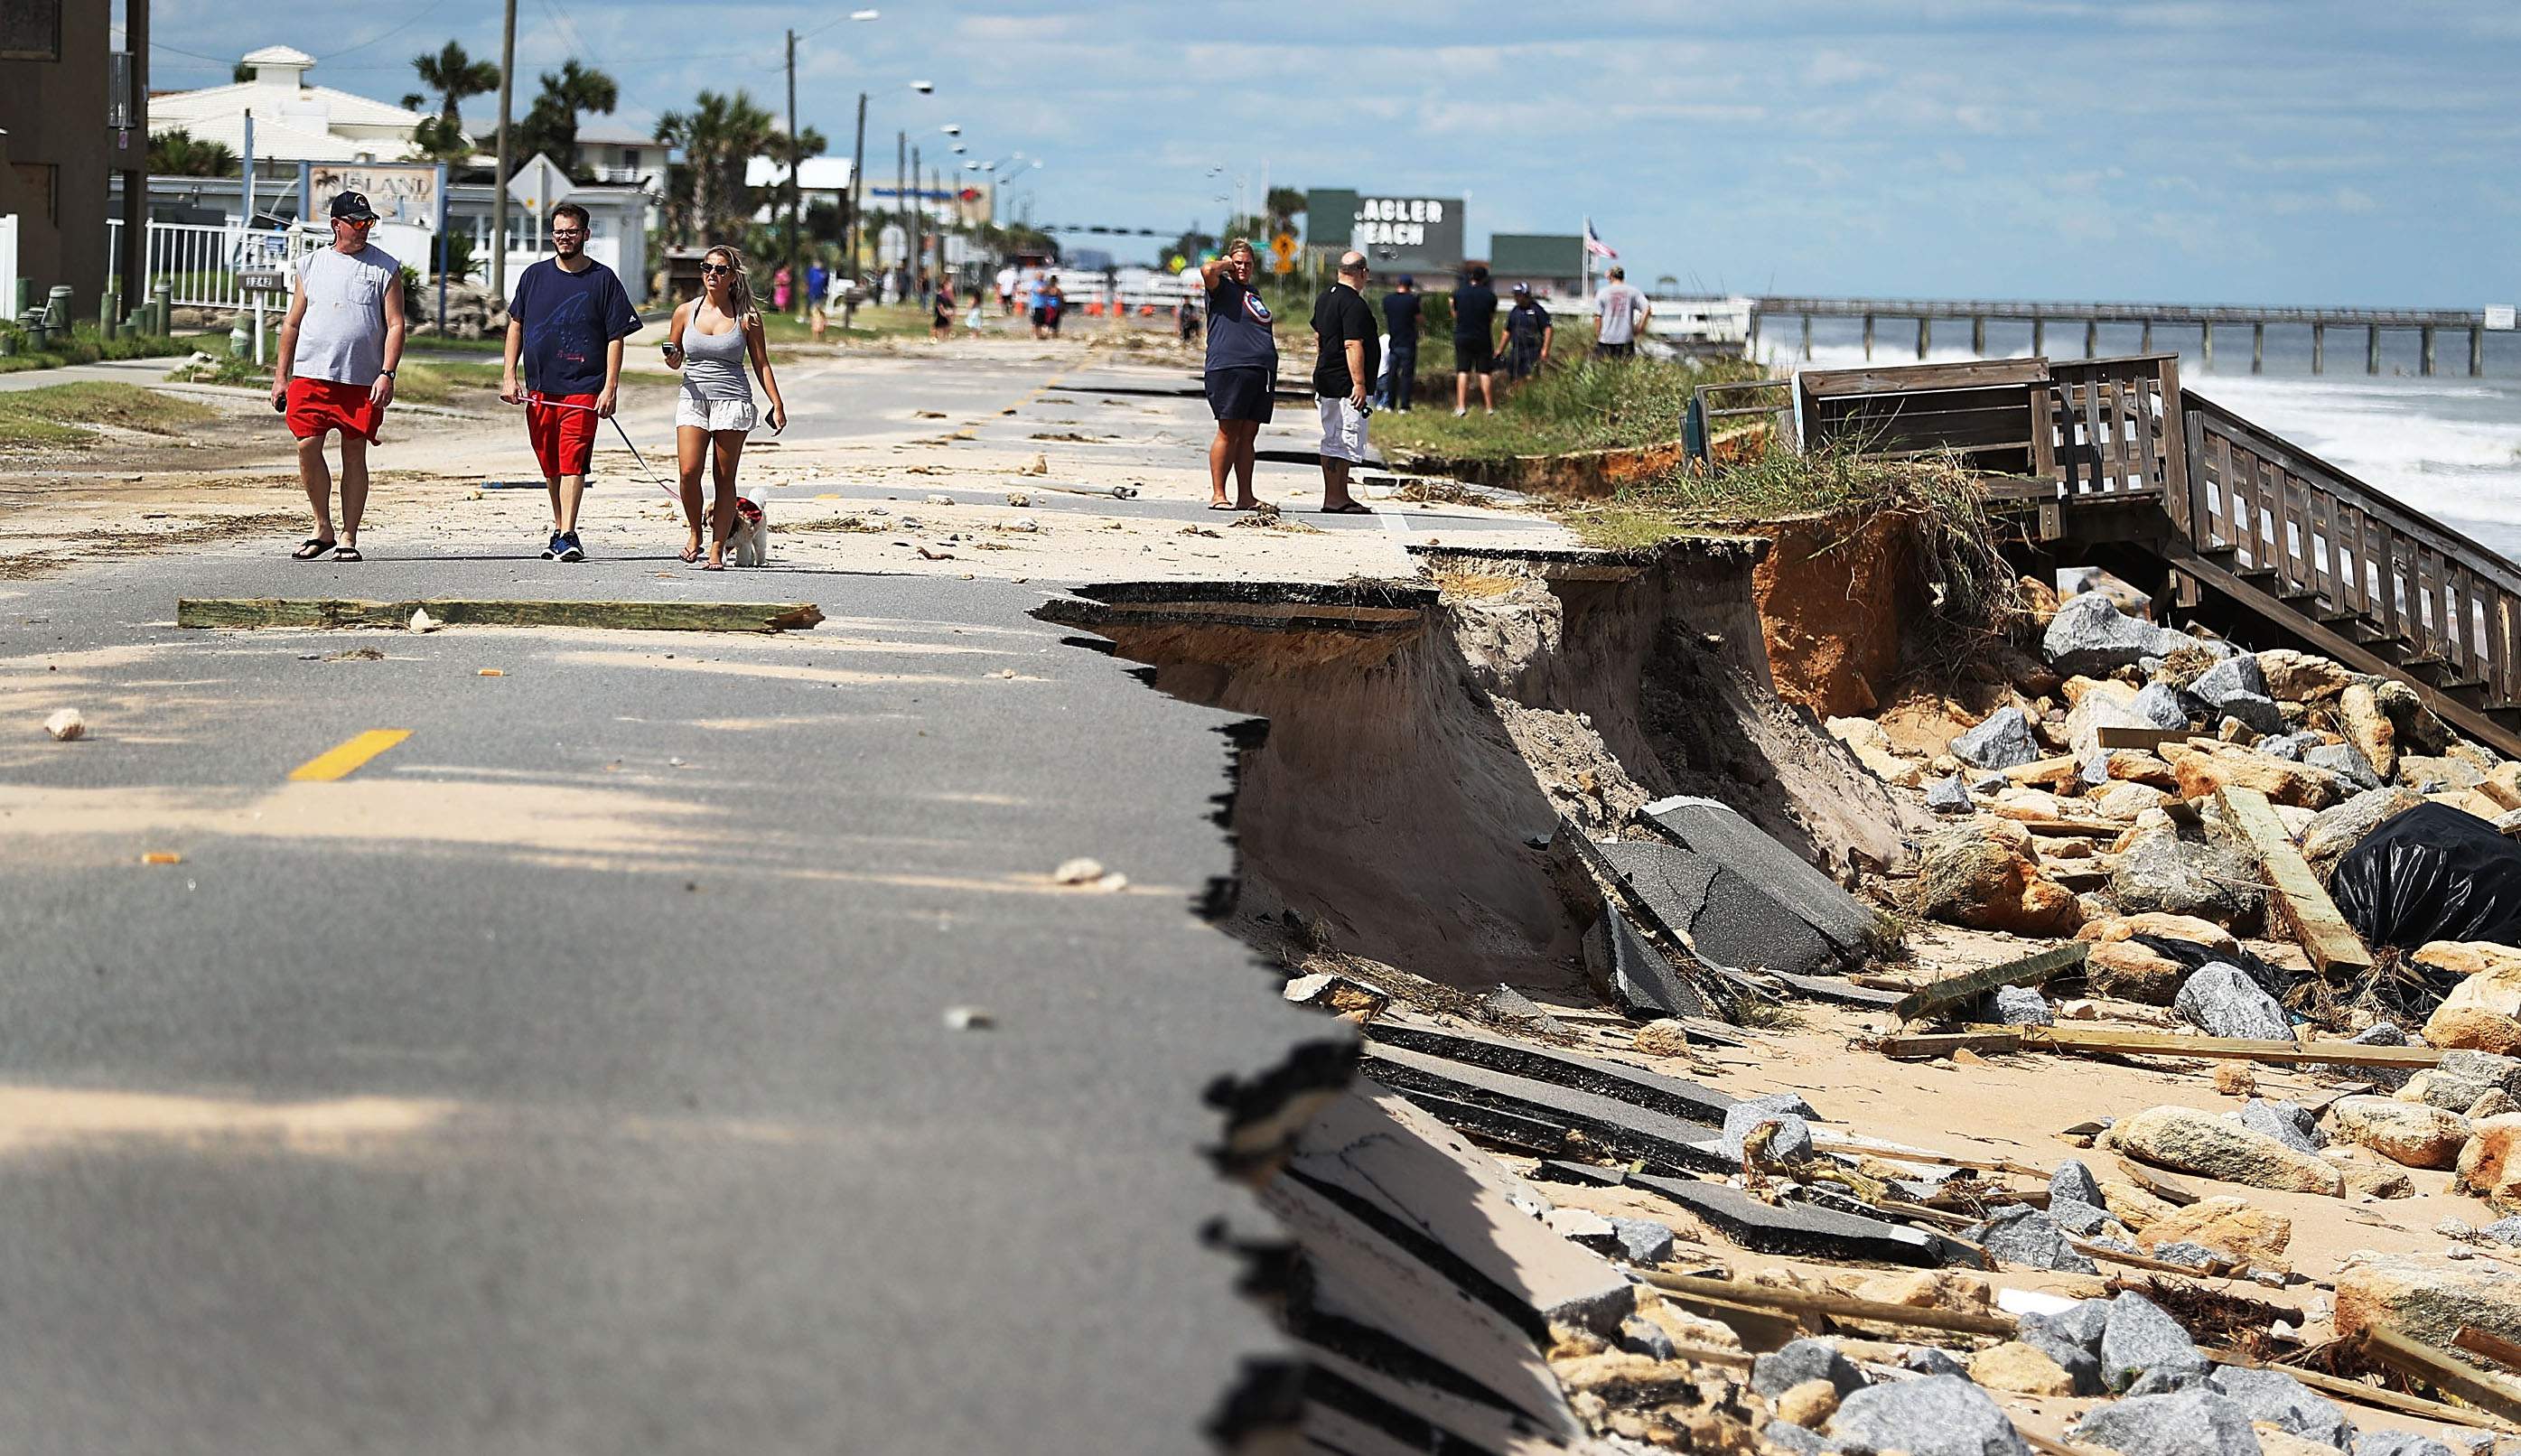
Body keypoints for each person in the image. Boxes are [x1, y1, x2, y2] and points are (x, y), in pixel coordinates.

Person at [500, 201, 642, 563]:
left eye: (572, 232)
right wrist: (509, 376)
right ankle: (559, 529)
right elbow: (516, 324)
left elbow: (616, 336)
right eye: (559, 232)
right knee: (550, 464)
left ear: (585, 235)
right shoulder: (534, 276)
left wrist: (610, 387)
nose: (565, 238)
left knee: (572, 461)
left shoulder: (603, 279)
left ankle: (568, 532)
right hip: (540, 390)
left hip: (583, 388)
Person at [269, 190, 405, 562]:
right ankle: (321, 526)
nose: (363, 229)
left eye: (368, 222)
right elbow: (292, 323)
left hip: (361, 379)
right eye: (356, 223)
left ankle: (348, 535)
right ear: (336, 225)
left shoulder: (386, 267)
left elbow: (395, 325)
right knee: (306, 446)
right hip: (312, 373)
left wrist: (387, 373)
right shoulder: (310, 265)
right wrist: (281, 376)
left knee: (353, 452)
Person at [661, 245, 789, 571]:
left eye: (720, 270)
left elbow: (761, 363)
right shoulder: (684, 311)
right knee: (688, 472)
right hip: (693, 397)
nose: (712, 275)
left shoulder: (747, 317)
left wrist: (776, 401)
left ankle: (718, 547)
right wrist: (673, 358)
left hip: (732, 400)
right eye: (707, 268)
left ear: (732, 277)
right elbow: (674, 356)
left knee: (724, 478)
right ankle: (694, 532)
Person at [1200, 239, 1275, 511]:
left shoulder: (1251, 291)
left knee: (1248, 435)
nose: (1243, 268)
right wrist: (1226, 264)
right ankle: (1219, 494)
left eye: (1248, 264)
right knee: (1228, 430)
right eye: (1238, 263)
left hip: (1259, 370)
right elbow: (1207, 271)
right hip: (1229, 367)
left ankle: (1246, 495)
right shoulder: (1221, 287)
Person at [1308, 250, 1378, 515]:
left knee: (1334, 437)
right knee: (1344, 438)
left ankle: (1340, 495)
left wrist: (1325, 361)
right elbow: (1352, 343)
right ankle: (1334, 498)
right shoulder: (1353, 304)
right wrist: (1359, 383)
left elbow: (1319, 336)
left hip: (1328, 377)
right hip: (1344, 386)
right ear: (1362, 272)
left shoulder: (1326, 297)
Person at [1452, 264, 1500, 416]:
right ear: (1484, 279)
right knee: (1484, 372)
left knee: (1463, 370)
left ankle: (1461, 406)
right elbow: (1491, 318)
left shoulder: (1459, 293)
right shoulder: (1490, 296)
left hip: (1463, 335)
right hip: (1483, 336)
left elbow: (1455, 315)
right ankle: (1489, 407)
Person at [1379, 275, 1421, 413]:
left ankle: (1390, 404)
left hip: (1394, 341)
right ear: (1409, 286)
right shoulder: (1412, 301)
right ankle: (1404, 405)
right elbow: (1420, 319)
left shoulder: (1388, 300)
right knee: (1407, 375)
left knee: (1392, 374)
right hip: (1408, 342)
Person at [1594, 264, 1650, 359]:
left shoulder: (1602, 292)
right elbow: (1647, 308)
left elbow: (1597, 317)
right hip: (1626, 339)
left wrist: (1598, 335)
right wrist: (1640, 327)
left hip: (1606, 340)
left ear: (1610, 277)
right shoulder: (1633, 291)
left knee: (1605, 370)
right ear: (1623, 277)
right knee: (1626, 370)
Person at [1502, 283, 1554, 383]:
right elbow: (1507, 331)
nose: (1516, 298)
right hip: (1516, 350)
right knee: (1513, 377)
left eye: (1518, 295)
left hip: (1533, 350)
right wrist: (1500, 350)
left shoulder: (1537, 310)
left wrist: (1545, 349)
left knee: (1530, 377)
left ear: (1525, 295)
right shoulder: (1515, 311)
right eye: (1515, 295)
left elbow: (1548, 329)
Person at [807, 257, 830, 340]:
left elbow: (826, 283)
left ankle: (821, 330)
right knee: (815, 313)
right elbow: (808, 281)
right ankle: (816, 332)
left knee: (821, 313)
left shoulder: (825, 272)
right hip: (813, 294)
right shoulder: (812, 271)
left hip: (821, 295)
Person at [931, 275, 955, 341]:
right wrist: (946, 312)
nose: (950, 288)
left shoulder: (942, 295)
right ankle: (940, 338)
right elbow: (940, 305)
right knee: (939, 328)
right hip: (943, 314)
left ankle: (938, 339)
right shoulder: (942, 295)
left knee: (938, 328)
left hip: (943, 314)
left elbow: (942, 305)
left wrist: (946, 312)